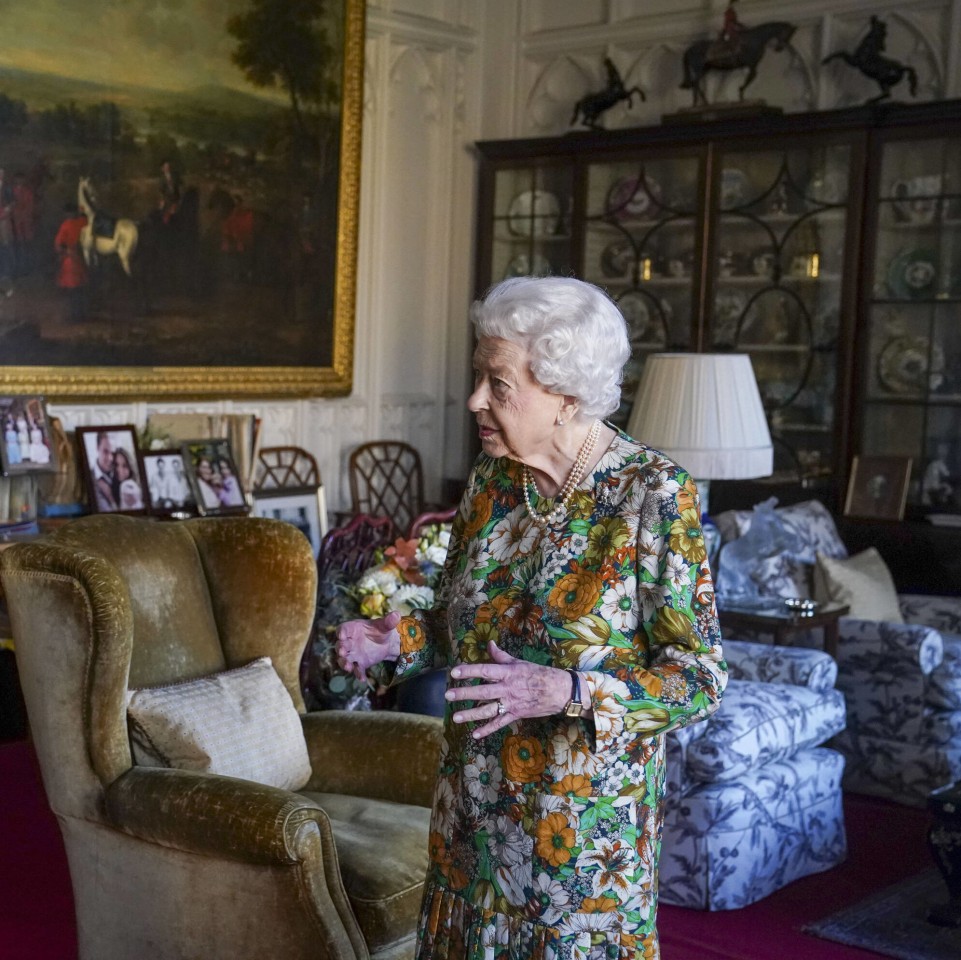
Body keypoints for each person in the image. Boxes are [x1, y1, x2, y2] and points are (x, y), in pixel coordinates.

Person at [335, 276, 727, 958]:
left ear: (565, 395)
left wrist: (570, 691)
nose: (474, 401)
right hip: (472, 815)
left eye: (498, 382)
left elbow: (698, 678)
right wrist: (395, 639)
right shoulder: (493, 482)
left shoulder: (652, 496)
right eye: (478, 377)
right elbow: (462, 625)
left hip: (578, 836)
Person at [54, 203, 89, 323]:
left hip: (71, 261)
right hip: (82, 259)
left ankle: (75, 316)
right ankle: (81, 314)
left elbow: (59, 244)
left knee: (72, 291)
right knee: (80, 290)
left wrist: (64, 251)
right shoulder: (83, 222)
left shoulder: (66, 225)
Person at [91, 432, 118, 511]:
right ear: (97, 448)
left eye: (113, 453)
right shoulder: (90, 477)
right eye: (105, 452)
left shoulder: (119, 474)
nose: (110, 458)